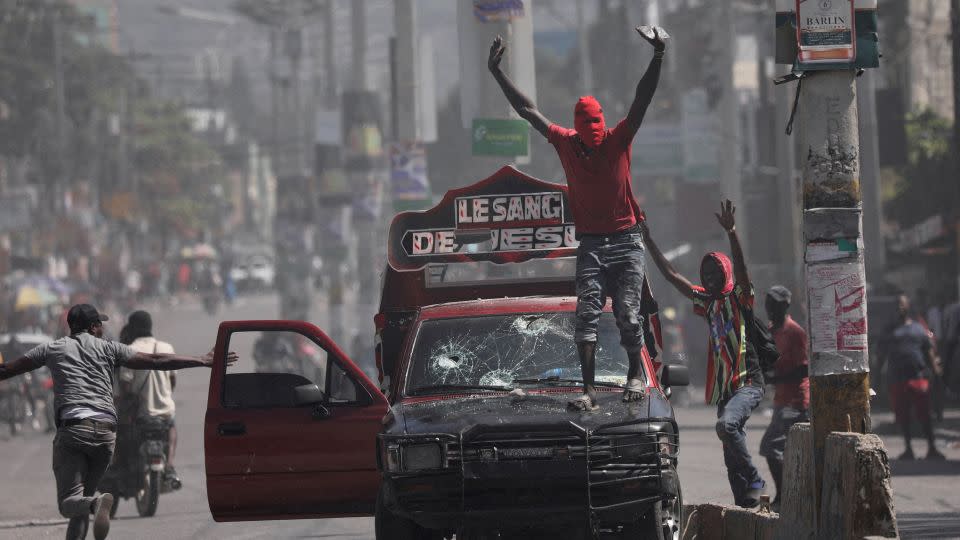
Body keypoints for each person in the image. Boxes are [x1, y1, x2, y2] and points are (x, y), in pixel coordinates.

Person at [488, 25, 666, 410]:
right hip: (590, 243)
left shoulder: (618, 140)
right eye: (588, 135)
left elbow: (641, 100)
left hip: (626, 240)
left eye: (597, 132)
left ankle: (635, 372)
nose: (593, 140)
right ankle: (588, 391)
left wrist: (658, 56)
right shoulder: (566, 142)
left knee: (628, 314)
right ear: (578, 131)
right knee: (585, 313)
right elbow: (527, 110)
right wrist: (497, 72)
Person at [0, 304, 236, 540]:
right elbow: (155, 360)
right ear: (93, 327)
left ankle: (96, 504)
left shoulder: (52, 348)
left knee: (69, 502)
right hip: (105, 435)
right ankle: (94, 504)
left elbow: (9, 369)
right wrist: (202, 360)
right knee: (83, 500)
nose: (103, 328)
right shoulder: (109, 349)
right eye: (100, 324)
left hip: (73, 432)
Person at [641, 200, 767, 508]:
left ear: (724, 274)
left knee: (726, 427)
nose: (709, 279)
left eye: (715, 273)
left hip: (748, 383)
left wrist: (732, 232)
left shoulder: (739, 298)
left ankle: (755, 479)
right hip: (727, 391)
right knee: (729, 452)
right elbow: (671, 275)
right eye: (706, 274)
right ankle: (747, 505)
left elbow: (742, 269)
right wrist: (648, 241)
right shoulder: (707, 303)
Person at [758, 285, 809, 511]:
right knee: (783, 450)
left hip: (795, 401)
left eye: (775, 304)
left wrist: (775, 379)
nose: (770, 308)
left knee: (771, 447)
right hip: (781, 400)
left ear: (785, 305)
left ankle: (785, 495)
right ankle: (791, 495)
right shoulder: (771, 330)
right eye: (768, 303)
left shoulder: (795, 332)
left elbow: (803, 370)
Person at [117, 310, 180, 487]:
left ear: (132, 328)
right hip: (165, 411)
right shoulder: (167, 348)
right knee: (172, 428)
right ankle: (170, 465)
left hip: (140, 413)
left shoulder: (129, 350)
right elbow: (172, 381)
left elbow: (125, 385)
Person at [879, 294, 945, 461]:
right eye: (896, 305)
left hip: (918, 377)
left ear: (908, 306)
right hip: (897, 379)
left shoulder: (918, 328)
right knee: (903, 417)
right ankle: (908, 449)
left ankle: (932, 448)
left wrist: (936, 370)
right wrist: (877, 377)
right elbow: (880, 355)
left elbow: (928, 351)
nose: (899, 307)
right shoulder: (889, 330)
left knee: (925, 415)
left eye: (902, 304)